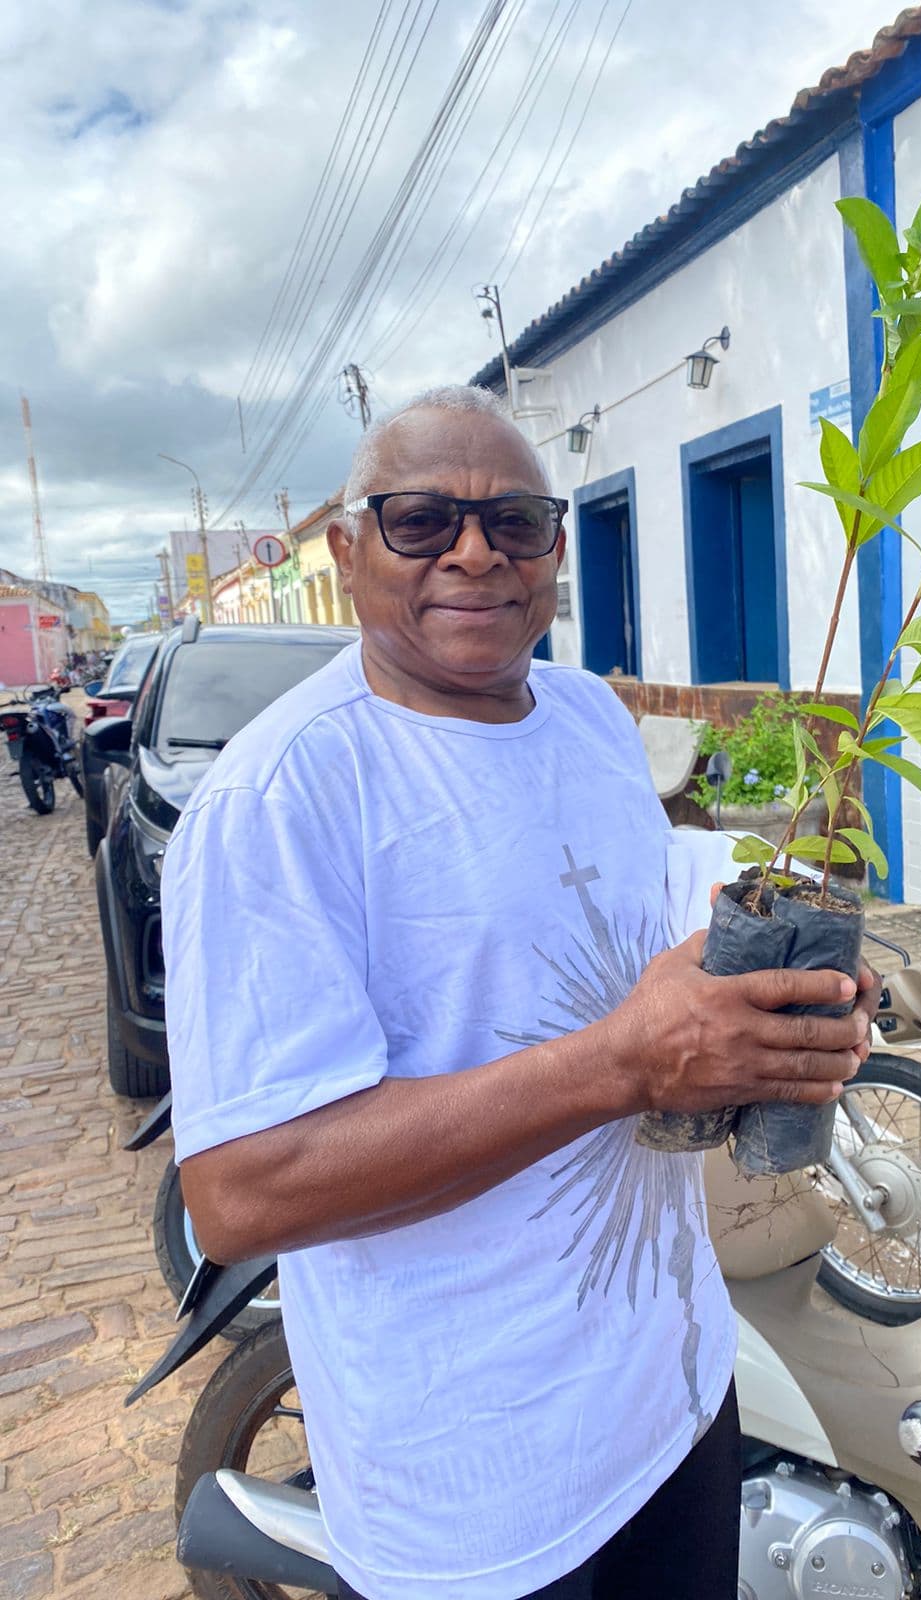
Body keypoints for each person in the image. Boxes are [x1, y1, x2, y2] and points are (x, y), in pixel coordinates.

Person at [163, 385, 877, 1600]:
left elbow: (621, 963)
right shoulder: (280, 800)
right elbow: (237, 1193)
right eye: (421, 520)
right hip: (478, 1496)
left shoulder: (594, 719)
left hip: (677, 1396)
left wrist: (776, 1015)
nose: (477, 552)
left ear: (553, 548)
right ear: (346, 550)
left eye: (518, 522)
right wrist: (624, 1062)